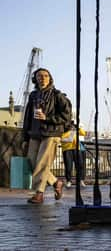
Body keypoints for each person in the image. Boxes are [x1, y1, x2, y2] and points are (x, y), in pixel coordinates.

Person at [22, 68, 72, 204]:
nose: (42, 78)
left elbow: (66, 116)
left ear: (50, 78)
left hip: (51, 134)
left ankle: (39, 193)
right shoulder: (33, 96)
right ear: (35, 79)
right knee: (32, 162)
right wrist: (25, 138)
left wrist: (47, 118)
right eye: (39, 76)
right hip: (35, 133)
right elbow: (27, 118)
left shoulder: (57, 95)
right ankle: (56, 182)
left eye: (45, 76)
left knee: (43, 163)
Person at [61, 120, 87, 188]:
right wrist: (71, 131)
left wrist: (77, 128)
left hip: (76, 149)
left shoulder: (75, 130)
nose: (71, 126)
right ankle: (69, 181)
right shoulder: (63, 131)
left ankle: (81, 180)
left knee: (80, 165)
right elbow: (64, 138)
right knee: (68, 166)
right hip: (67, 149)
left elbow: (83, 133)